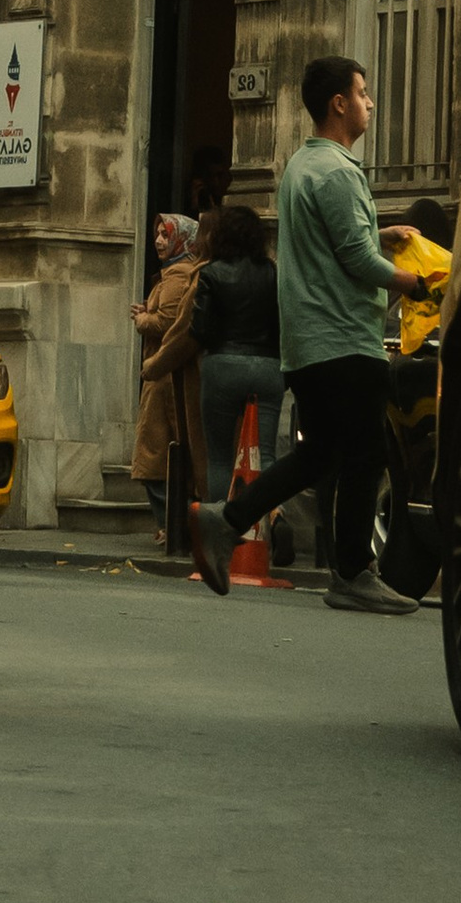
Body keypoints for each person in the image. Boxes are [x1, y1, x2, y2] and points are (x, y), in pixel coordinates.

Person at [195, 56, 434, 613]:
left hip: (308, 343)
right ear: (339, 104)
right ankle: (352, 571)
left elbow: (339, 238)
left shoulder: (304, 167)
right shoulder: (339, 172)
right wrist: (417, 282)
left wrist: (383, 228)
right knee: (365, 452)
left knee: (321, 453)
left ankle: (224, 521)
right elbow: (355, 258)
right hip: (344, 339)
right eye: (364, 93)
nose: (370, 103)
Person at [188, 195, 283, 507]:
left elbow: (200, 330)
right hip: (268, 366)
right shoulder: (273, 272)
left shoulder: (211, 273)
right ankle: (273, 518)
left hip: (223, 366)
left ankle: (222, 526)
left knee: (219, 458)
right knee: (266, 454)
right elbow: (283, 324)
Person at [130, 210, 204, 551]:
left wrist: (144, 318)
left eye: (165, 234)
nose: (158, 240)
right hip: (164, 376)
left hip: (163, 378)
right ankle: (171, 525)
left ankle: (169, 525)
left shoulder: (177, 276)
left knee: (155, 455)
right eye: (157, 233)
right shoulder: (174, 273)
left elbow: (169, 323)